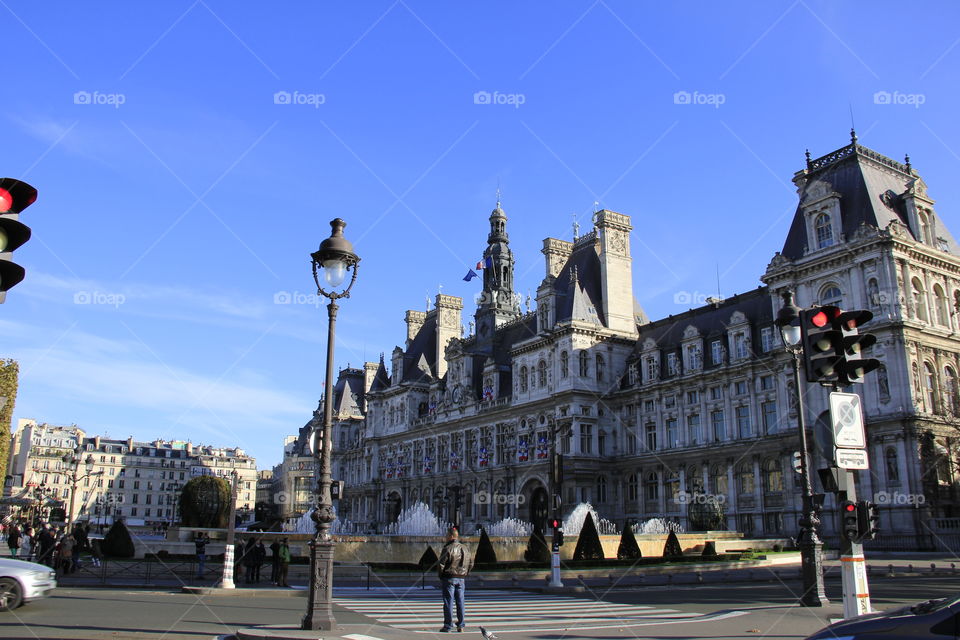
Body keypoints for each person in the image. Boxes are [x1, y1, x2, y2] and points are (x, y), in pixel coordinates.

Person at [437, 526, 470, 632]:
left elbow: (441, 564)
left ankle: (448, 625)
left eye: (447, 535)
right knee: (460, 602)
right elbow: (471, 563)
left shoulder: (447, 548)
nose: (445, 537)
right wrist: (465, 573)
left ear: (451, 536)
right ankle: (461, 625)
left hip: (449, 577)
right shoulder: (465, 548)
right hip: (461, 578)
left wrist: (441, 575)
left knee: (448, 602)